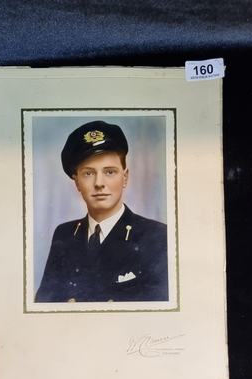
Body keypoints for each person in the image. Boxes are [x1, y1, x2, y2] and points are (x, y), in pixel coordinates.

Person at [35, 120, 168, 303]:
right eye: (88, 173)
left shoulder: (157, 236)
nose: (99, 183)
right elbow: (44, 304)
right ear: (77, 182)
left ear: (125, 177)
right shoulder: (64, 235)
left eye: (110, 172)